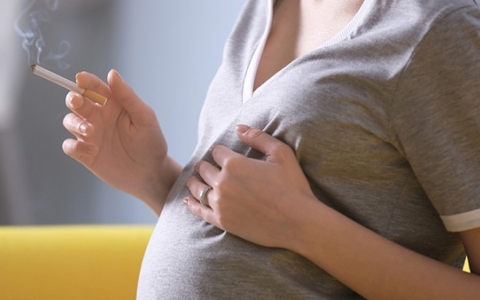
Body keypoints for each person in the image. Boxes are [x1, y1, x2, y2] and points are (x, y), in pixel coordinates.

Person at [61, 0, 480, 298]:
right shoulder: (262, 11)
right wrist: (154, 178)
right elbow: (248, 229)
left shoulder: (438, 30)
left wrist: (303, 225)